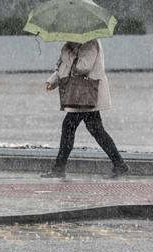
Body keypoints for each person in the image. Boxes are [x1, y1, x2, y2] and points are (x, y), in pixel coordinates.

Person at [41, 39, 130, 179]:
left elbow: (83, 66)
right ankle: (119, 164)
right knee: (95, 129)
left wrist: (66, 53)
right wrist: (53, 79)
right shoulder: (73, 44)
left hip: (86, 93)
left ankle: (59, 168)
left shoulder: (89, 43)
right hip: (82, 95)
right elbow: (65, 66)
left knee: (70, 127)